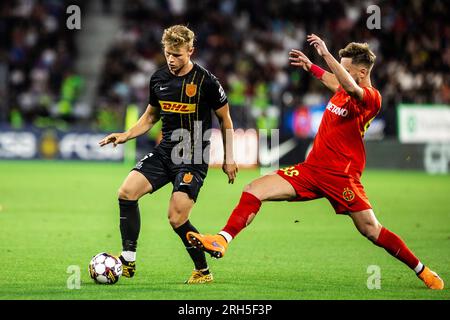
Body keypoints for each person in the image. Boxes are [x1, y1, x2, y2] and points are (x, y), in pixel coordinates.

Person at [187, 34, 444, 290]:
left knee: (371, 230)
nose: (340, 72)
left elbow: (352, 88)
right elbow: (335, 81)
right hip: (311, 171)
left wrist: (325, 55)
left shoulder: (371, 98)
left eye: (345, 68)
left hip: (341, 177)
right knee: (254, 189)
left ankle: (422, 270)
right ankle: (222, 239)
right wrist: (312, 67)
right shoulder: (342, 90)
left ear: (362, 72)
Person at [99, 25, 238, 284]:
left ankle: (203, 271)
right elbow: (151, 116)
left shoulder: (206, 81)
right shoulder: (159, 79)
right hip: (165, 153)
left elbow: (226, 119)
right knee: (126, 193)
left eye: (178, 55)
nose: (172, 60)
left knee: (176, 217)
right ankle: (128, 259)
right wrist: (126, 134)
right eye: (168, 54)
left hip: (193, 158)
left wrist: (230, 158)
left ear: (190, 51)